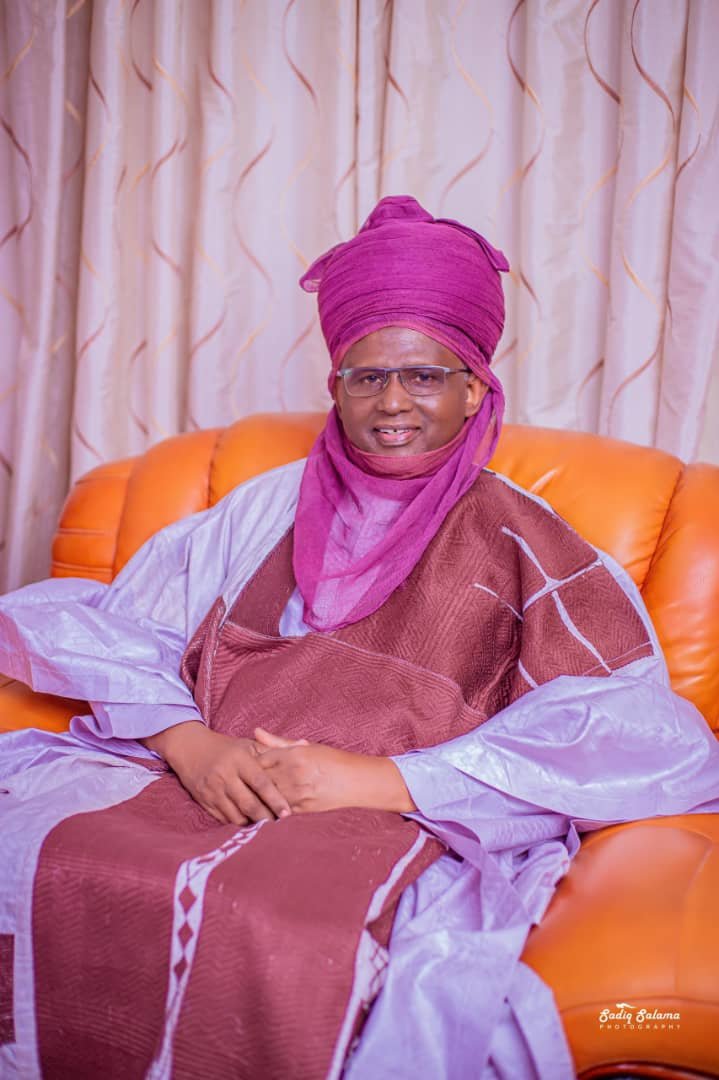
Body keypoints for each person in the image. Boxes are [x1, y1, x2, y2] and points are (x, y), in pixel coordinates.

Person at [1, 195, 718, 1080]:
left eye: (424, 375)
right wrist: (193, 746)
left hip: (400, 821)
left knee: (327, 942)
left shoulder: (532, 545)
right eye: (365, 377)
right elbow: (117, 627)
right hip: (196, 782)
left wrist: (381, 780)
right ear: (335, 387)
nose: (392, 404)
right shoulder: (261, 508)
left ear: (474, 389)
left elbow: (645, 737)